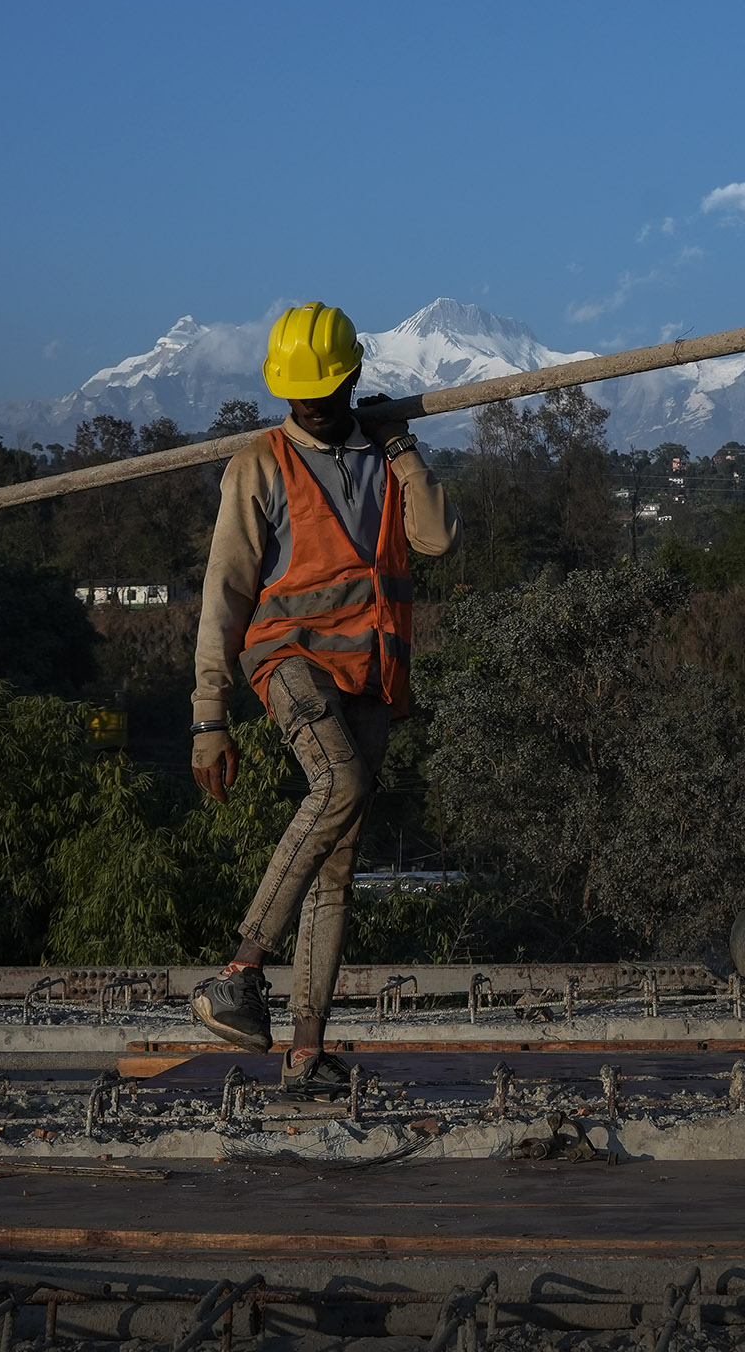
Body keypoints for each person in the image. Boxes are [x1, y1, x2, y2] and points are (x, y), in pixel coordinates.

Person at [184, 302, 459, 1091]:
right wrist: (211, 715)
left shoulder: (384, 454)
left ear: (351, 381)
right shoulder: (259, 465)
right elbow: (225, 594)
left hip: (371, 670)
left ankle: (306, 1054)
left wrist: (402, 447)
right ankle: (239, 974)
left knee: (336, 866)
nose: (309, 407)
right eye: (297, 395)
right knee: (339, 782)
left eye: (322, 393)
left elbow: (437, 539)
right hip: (290, 659)